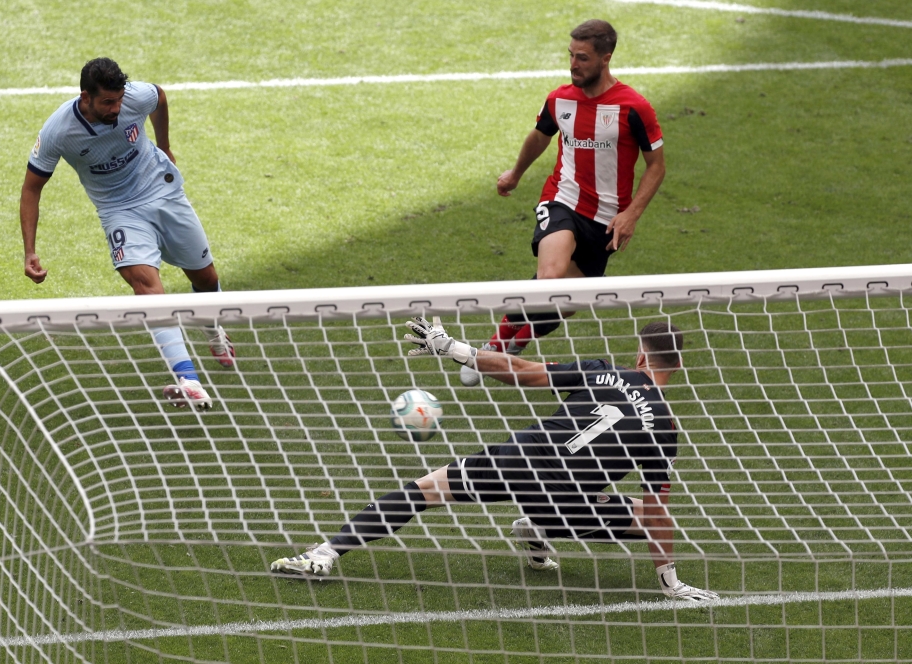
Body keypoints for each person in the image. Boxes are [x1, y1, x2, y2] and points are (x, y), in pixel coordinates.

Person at [270, 317, 718, 602]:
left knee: (424, 491)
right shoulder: (665, 427)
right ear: (676, 367)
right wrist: (670, 581)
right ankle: (539, 526)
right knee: (643, 513)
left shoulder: (604, 371)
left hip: (519, 455)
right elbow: (657, 513)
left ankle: (324, 554)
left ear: (639, 356)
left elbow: (522, 371)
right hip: (561, 497)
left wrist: (454, 349)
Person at [20, 57, 233, 410]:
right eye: (107, 102)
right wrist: (29, 250)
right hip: (119, 211)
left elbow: (159, 97)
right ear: (85, 97)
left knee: (205, 278)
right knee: (145, 286)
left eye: (119, 100)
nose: (116, 109)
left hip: (162, 190)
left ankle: (214, 331)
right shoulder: (59, 131)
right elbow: (31, 189)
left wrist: (164, 144)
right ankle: (189, 380)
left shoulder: (134, 97)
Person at [462, 19, 666, 387]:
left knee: (567, 302)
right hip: (562, 200)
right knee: (550, 277)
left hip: (606, 220)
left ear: (606, 58)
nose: (573, 64)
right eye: (571, 55)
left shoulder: (634, 107)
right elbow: (540, 136)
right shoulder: (559, 99)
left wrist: (631, 214)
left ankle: (518, 339)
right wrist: (515, 174)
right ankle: (495, 345)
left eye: (582, 58)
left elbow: (657, 166)